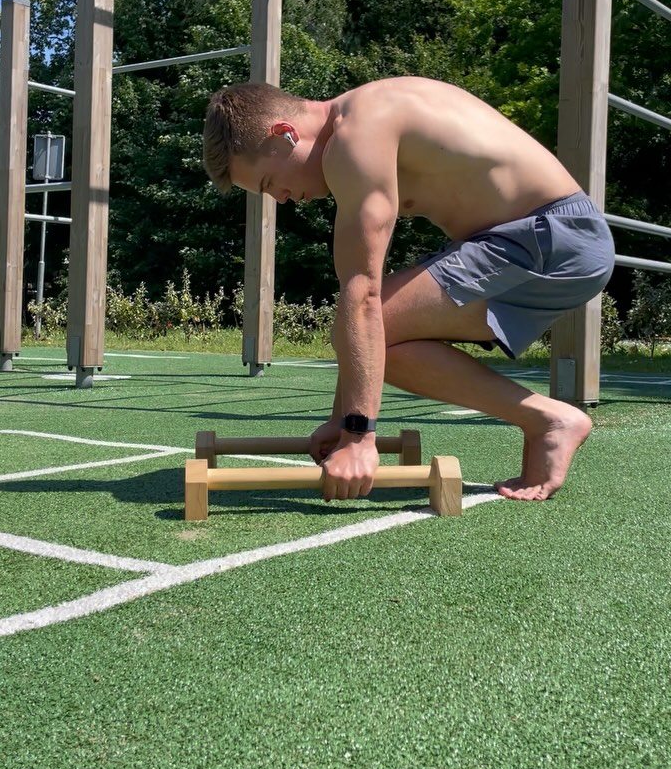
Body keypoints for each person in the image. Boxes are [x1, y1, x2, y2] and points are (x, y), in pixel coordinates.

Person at [203, 77, 615, 503]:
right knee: (374, 345)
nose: (284, 200)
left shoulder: (357, 135)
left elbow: (362, 293)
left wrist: (358, 436)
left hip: (555, 238)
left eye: (271, 183)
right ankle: (547, 419)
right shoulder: (356, 121)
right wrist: (341, 418)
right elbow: (361, 326)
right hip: (528, 240)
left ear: (284, 134)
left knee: (365, 322)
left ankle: (549, 420)